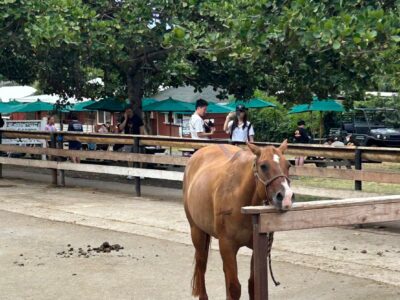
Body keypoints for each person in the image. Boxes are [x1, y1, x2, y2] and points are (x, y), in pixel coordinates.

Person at [118, 106, 144, 179]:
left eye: (129, 111)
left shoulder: (137, 118)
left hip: (137, 140)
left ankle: (140, 173)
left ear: (132, 110)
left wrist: (141, 139)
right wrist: (126, 119)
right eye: (126, 111)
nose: (128, 113)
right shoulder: (124, 118)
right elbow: (120, 128)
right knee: (129, 157)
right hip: (128, 140)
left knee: (139, 156)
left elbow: (141, 129)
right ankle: (131, 173)